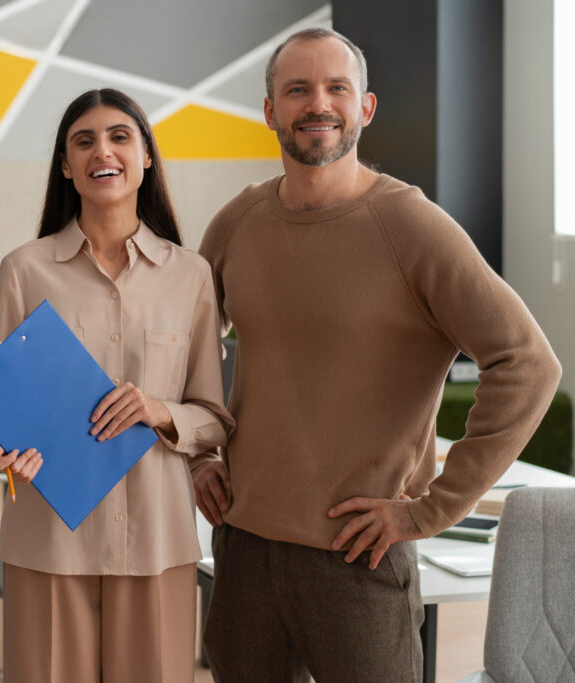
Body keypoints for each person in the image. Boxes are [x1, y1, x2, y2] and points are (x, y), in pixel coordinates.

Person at [195, 28, 561, 682]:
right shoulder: (237, 223)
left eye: (337, 88)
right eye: (298, 89)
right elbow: (184, 347)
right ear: (270, 110)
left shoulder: (412, 227)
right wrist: (194, 455)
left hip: (357, 559)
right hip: (243, 551)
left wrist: (432, 508)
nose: (319, 103)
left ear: (365, 107)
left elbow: (528, 363)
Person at [0, 89, 233, 683]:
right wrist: (2, 450)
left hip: (156, 540)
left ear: (146, 157)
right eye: (84, 140)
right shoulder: (24, 270)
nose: (104, 151)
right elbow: (0, 411)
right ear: (66, 166)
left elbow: (214, 419)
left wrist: (157, 409)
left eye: (121, 136)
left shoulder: (191, 275)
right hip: (48, 541)